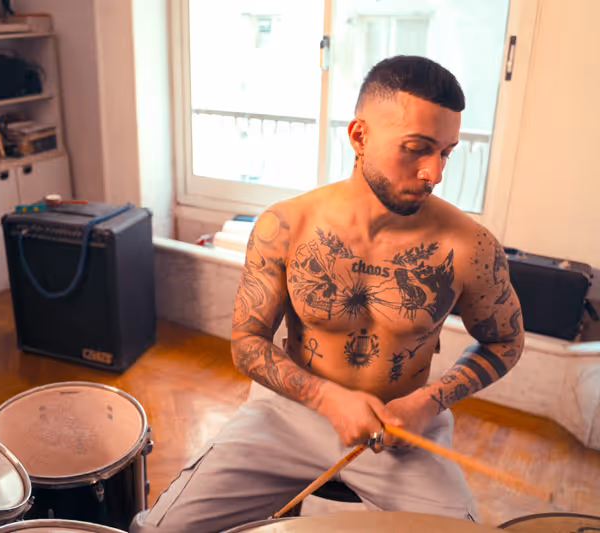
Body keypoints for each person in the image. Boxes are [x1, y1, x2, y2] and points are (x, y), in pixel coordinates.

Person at [130, 55, 524, 533]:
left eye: (446, 152)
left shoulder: (469, 247)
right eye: (417, 149)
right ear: (359, 136)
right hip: (285, 416)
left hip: (400, 430)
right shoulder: (287, 225)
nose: (433, 173)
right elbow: (247, 342)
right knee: (159, 531)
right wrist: (326, 398)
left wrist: (430, 401)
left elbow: (506, 341)